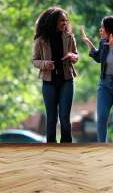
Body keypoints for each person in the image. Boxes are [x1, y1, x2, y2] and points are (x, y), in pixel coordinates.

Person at [32, 7, 79, 143]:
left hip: (66, 80)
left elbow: (76, 56)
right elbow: (35, 61)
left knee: (64, 117)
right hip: (49, 82)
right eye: (61, 21)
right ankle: (51, 148)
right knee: (51, 118)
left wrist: (72, 56)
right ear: (53, 22)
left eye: (66, 20)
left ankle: (66, 148)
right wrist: (45, 64)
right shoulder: (41, 40)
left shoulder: (69, 37)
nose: (65, 23)